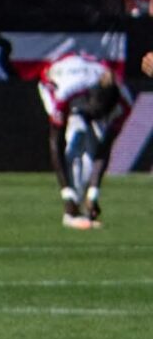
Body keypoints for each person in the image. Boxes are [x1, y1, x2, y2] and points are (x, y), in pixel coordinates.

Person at [43, 51, 129, 229]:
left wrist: (93, 194)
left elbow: (105, 148)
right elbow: (56, 144)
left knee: (93, 146)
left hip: (86, 71)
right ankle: (70, 209)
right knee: (76, 135)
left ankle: (84, 203)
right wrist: (66, 193)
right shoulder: (66, 92)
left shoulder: (124, 103)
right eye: (95, 113)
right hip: (53, 78)